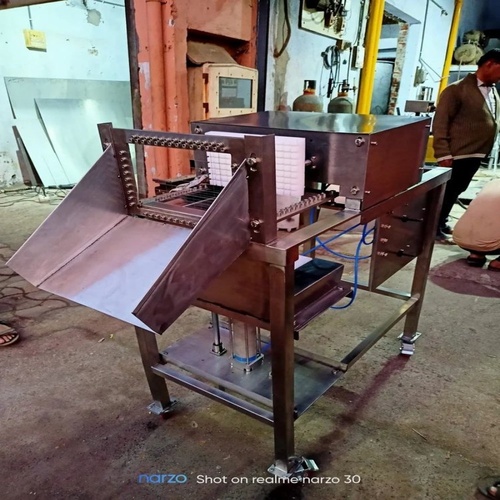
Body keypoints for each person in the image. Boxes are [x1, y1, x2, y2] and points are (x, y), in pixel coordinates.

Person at [432, 48, 500, 243]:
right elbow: (440, 123)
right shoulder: (456, 90)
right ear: (489, 64)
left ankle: (441, 222)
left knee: (457, 190)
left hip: (477, 152)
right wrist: (443, 153)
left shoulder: (493, 91)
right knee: (447, 192)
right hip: (458, 154)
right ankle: (433, 228)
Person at [452, 178, 500, 270]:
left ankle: (476, 256)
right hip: (491, 245)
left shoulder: (493, 182)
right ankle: (498, 263)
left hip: (461, 239)